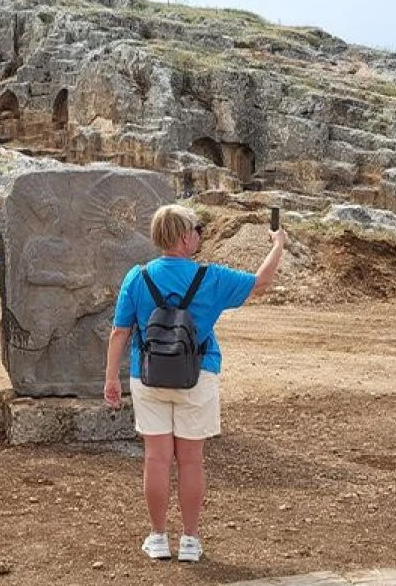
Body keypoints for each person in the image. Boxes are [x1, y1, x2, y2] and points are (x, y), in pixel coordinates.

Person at [104, 205, 286, 563]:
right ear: (185, 236)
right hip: (198, 374)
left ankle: (158, 537)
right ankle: (190, 540)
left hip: (149, 374)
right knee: (191, 461)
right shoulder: (211, 277)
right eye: (197, 229)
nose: (200, 235)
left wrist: (112, 377)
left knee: (155, 459)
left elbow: (120, 331)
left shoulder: (137, 277)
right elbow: (260, 283)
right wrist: (277, 245)